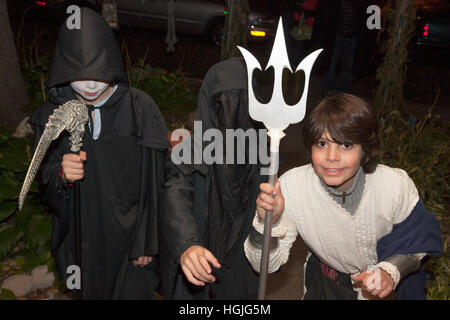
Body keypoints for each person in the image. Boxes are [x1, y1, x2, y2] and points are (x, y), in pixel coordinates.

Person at [29, 8, 170, 299]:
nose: (91, 84)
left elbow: (157, 178)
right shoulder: (52, 115)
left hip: (132, 239)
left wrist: (147, 241)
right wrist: (61, 173)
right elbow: (43, 179)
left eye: (99, 73)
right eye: (80, 76)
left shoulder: (140, 109)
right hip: (83, 241)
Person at [244, 93, 442, 300]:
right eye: (322, 144)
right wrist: (269, 221)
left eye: (346, 145)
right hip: (325, 288)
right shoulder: (292, 187)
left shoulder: (393, 185)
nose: (331, 157)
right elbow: (263, 265)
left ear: (365, 151)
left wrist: (391, 269)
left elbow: (419, 240)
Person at [160, 57, 267, 299]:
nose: (230, 115)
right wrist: (187, 243)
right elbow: (175, 193)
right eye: (221, 104)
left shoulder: (265, 154)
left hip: (242, 265)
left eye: (240, 104)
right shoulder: (191, 150)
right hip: (197, 257)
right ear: (209, 104)